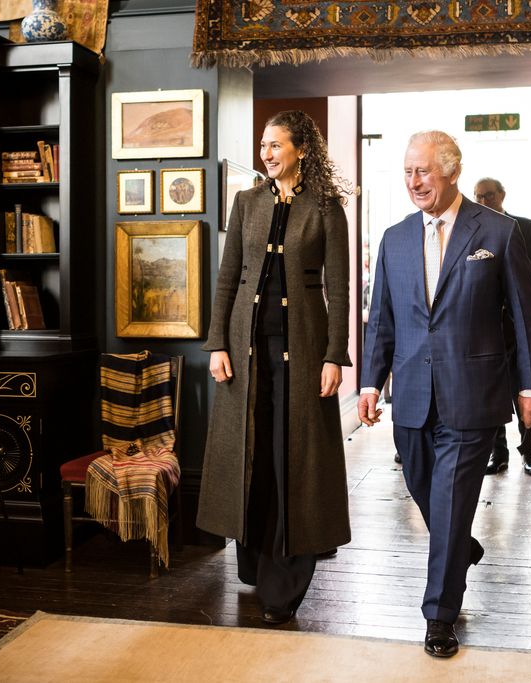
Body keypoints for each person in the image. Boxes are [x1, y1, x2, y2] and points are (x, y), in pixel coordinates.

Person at [358, 132, 531, 657]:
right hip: (413, 396)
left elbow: (525, 314)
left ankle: (439, 615)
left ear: (451, 172)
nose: (413, 182)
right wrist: (371, 382)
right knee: (427, 491)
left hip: (474, 392)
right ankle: (460, 546)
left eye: (423, 171)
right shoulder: (395, 239)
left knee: (452, 498)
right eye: (407, 171)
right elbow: (383, 321)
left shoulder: (500, 233)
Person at [197, 111, 352, 626]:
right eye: (262, 144)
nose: (266, 152)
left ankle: (283, 586)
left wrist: (334, 354)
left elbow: (339, 287)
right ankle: (255, 562)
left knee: (296, 462)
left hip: (304, 353)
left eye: (275, 144)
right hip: (245, 355)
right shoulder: (246, 202)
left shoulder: (326, 207)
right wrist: (217, 341)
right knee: (254, 455)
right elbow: (226, 280)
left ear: (301, 148)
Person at [473, 177, 531, 476]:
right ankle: (497, 453)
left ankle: (529, 452)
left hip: (516, 326)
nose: (482, 201)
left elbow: (527, 276)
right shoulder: (472, 229)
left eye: (488, 195)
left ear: (502, 194)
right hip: (484, 327)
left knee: (522, 388)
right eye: (477, 196)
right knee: (492, 392)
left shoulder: (525, 227)